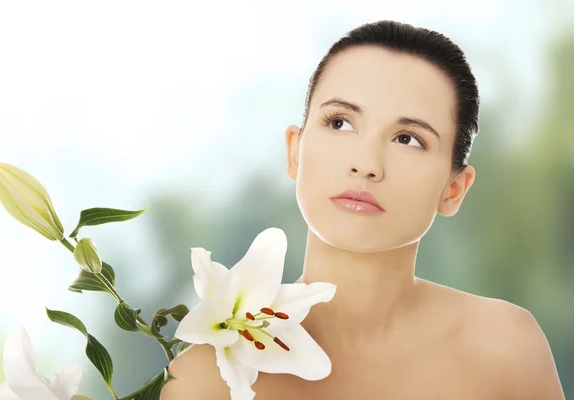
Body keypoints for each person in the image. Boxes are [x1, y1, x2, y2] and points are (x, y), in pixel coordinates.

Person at [161, 20, 565, 399]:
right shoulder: (205, 380)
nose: (367, 164)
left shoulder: (506, 348)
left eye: (408, 138)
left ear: (454, 189)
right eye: (340, 123)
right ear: (295, 151)